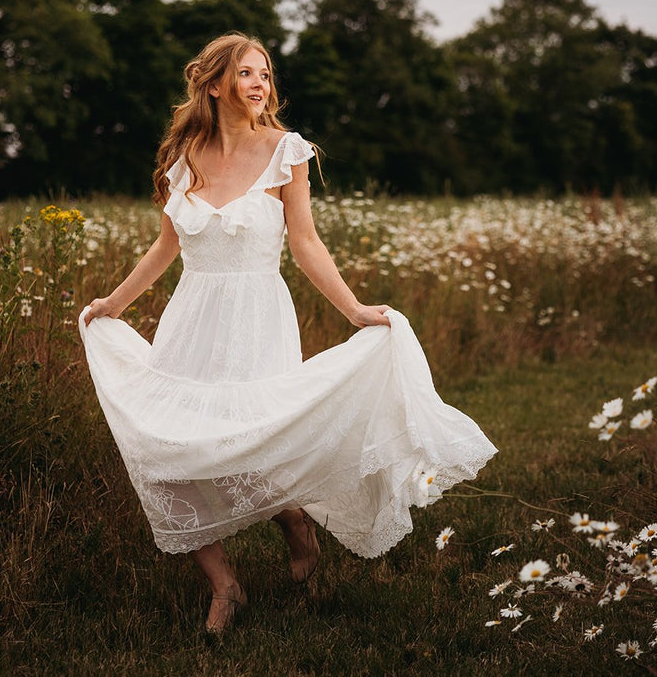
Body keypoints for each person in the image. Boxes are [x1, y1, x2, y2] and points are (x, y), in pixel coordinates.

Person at [79, 32, 497, 633]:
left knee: (258, 445)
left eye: (266, 74)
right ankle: (225, 585)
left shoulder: (287, 152)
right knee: (174, 450)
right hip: (191, 319)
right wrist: (114, 303)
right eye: (247, 74)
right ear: (215, 83)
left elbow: (304, 242)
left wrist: (354, 311)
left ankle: (296, 520)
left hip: (256, 318)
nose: (259, 85)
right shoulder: (184, 159)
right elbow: (167, 246)